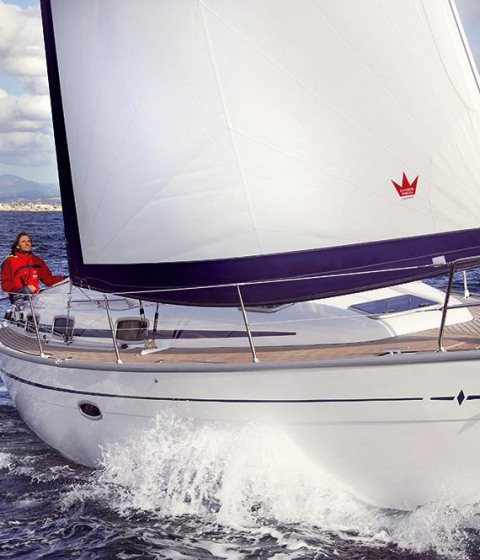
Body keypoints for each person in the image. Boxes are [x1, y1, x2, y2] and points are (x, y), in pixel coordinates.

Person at [1, 232, 66, 301]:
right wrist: (21, 290)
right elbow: (5, 283)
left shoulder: (37, 261)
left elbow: (49, 280)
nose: (27, 243)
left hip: (35, 298)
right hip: (18, 297)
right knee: (26, 290)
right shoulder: (10, 261)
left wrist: (66, 279)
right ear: (17, 246)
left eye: (29, 241)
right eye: (23, 241)